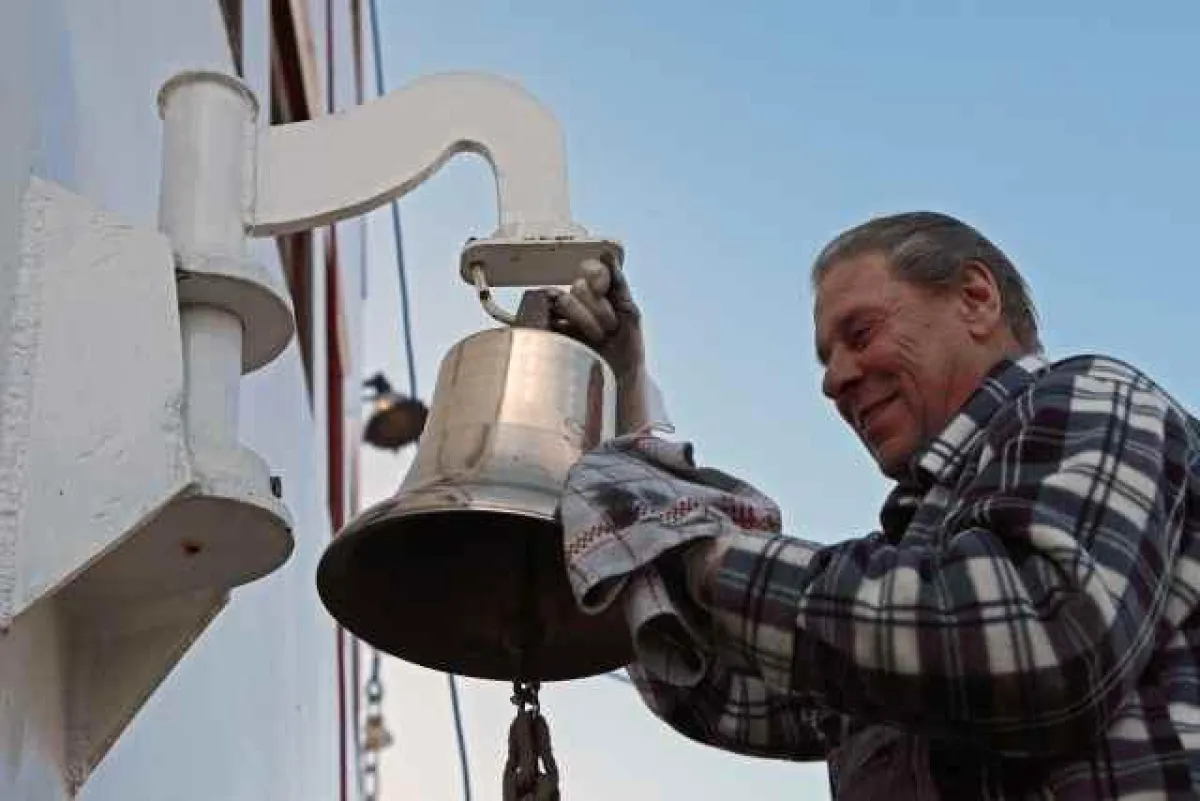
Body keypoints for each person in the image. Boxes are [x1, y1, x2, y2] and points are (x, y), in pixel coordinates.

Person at [547, 211, 1200, 799]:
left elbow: (1040, 638)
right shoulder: (897, 598)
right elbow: (720, 691)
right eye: (826, 360)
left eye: (859, 334)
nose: (834, 380)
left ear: (976, 298)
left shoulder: (1094, 399)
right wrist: (619, 394)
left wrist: (697, 557)